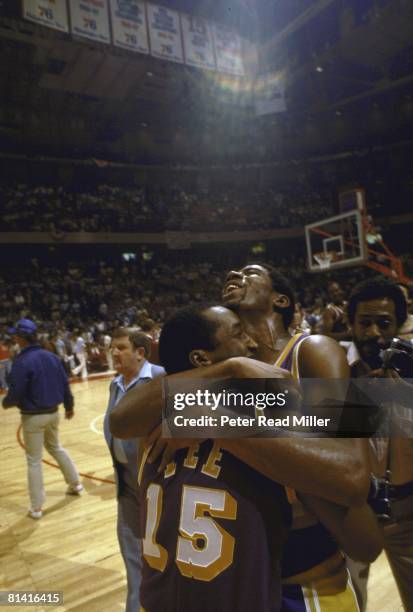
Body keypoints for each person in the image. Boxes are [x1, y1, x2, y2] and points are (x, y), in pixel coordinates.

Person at [140, 304, 293, 611]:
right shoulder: (261, 420)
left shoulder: (151, 427)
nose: (251, 343)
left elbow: (119, 420)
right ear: (200, 358)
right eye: (239, 333)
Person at [345, 277, 413, 611]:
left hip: (408, 509)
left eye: (384, 323)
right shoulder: (334, 371)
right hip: (353, 510)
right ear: (350, 324)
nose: (374, 333)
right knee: (346, 604)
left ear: (400, 324)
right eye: (365, 322)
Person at [103, 328, 165, 612]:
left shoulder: (161, 377)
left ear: (140, 352)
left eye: (121, 348)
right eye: (112, 348)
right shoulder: (115, 384)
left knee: (164, 553)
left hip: (159, 483)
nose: (114, 353)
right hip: (126, 484)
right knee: (133, 557)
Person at [2, 319, 82, 519]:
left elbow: (17, 392)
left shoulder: (21, 361)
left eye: (15, 336)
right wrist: (69, 406)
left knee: (34, 460)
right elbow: (65, 384)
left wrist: (6, 402)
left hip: (33, 418)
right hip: (54, 413)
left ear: (20, 338)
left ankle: (37, 506)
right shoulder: (51, 356)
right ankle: (76, 484)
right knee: (56, 447)